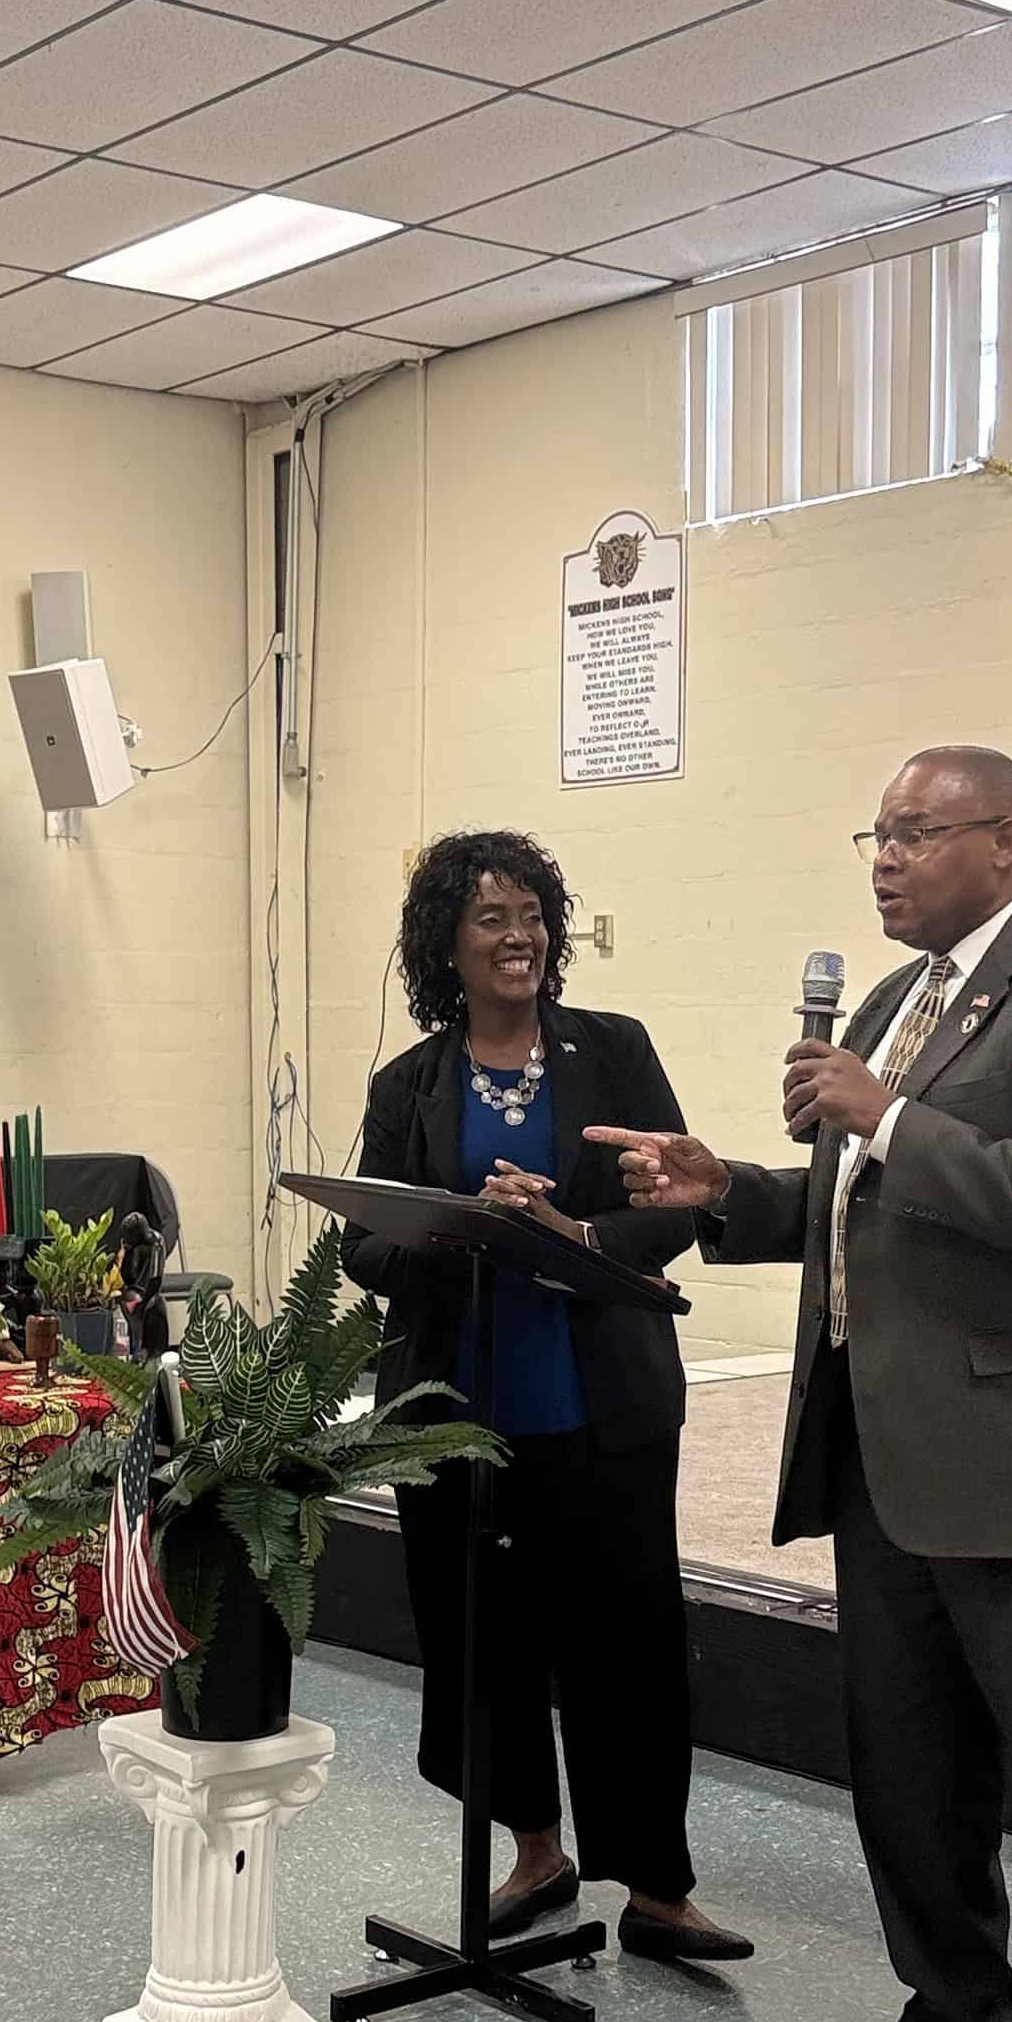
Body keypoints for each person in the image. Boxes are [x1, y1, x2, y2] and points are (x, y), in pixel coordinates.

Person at [590, 746, 1012, 2022]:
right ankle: (962, 2020)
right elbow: (871, 1206)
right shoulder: (894, 1003)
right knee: (909, 1769)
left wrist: (890, 1119)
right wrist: (731, 1192)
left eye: (917, 835)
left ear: (1008, 840)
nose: (886, 859)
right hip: (883, 1456)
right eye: (878, 834)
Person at [343, 829, 752, 1963]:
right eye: (490, 918)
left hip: (601, 1404)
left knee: (627, 1640)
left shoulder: (613, 1052)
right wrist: (464, 1225)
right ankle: (536, 1848)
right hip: (459, 1414)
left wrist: (572, 1230)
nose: (518, 936)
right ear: (447, 944)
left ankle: (660, 1891)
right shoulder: (410, 1086)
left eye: (531, 914)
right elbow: (363, 1252)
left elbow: (675, 1208)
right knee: (488, 1643)